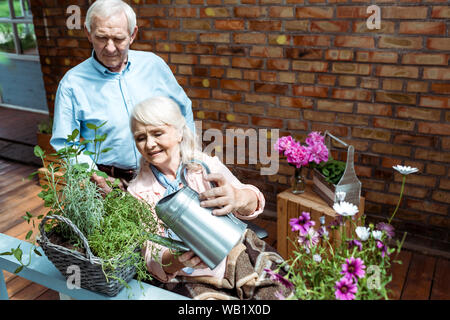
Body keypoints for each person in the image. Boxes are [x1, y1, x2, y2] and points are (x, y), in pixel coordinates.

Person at [127, 96, 292, 300]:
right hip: (192, 277)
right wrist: (178, 260)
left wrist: (238, 197)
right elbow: (152, 258)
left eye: (157, 133)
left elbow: (253, 203)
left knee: (281, 293)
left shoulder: (203, 166)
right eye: (140, 138)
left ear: (179, 132)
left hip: (236, 251)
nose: (150, 144)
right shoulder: (137, 193)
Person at [50, 0, 194, 190]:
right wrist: (94, 175)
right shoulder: (72, 84)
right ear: (88, 33)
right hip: (111, 183)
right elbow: (65, 142)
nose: (110, 48)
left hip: (164, 177)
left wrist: (189, 157)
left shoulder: (153, 65)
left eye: (118, 39)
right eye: (101, 38)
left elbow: (183, 110)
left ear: (132, 34)